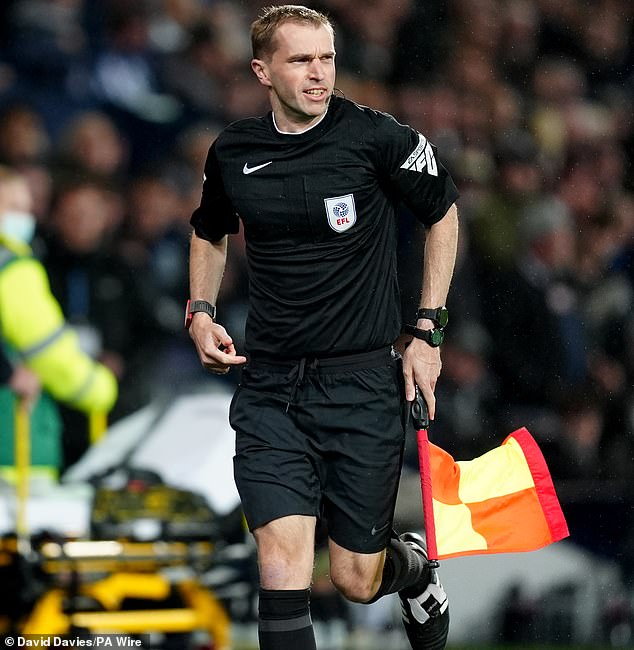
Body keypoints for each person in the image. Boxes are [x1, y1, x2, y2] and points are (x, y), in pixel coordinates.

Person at [187, 6, 459, 650]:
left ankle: (412, 568)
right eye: (301, 60)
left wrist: (427, 331)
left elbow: (442, 213)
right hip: (271, 388)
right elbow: (208, 230)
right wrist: (200, 313)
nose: (319, 74)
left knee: (355, 579)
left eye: (327, 58)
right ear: (263, 70)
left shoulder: (376, 139)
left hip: (360, 384)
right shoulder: (234, 151)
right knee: (281, 567)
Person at [0, 166, 118, 474]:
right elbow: (47, 352)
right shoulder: (12, 268)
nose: (24, 218)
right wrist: (98, 387)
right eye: (12, 207)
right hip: (12, 450)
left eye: (27, 209)